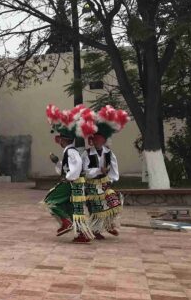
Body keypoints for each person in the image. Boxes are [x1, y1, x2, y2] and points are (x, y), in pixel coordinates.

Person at [41, 104, 95, 243]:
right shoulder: (69, 151)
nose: (59, 141)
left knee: (49, 201)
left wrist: (68, 178)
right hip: (75, 183)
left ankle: (66, 222)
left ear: (64, 140)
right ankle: (82, 233)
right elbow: (67, 167)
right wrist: (57, 162)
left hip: (72, 182)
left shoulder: (71, 152)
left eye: (60, 139)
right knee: (72, 207)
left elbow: (76, 167)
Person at [85, 106, 129, 239]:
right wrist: (99, 170)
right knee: (97, 208)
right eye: (95, 138)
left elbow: (114, 169)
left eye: (100, 138)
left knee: (115, 203)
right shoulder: (86, 154)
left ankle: (108, 224)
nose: (97, 141)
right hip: (91, 184)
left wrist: (110, 179)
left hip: (104, 183)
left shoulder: (109, 153)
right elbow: (85, 171)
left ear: (104, 140)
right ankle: (96, 230)